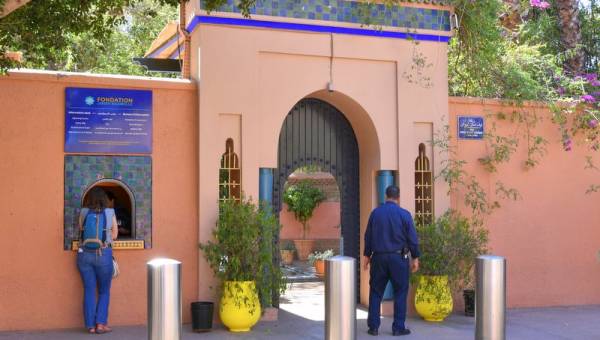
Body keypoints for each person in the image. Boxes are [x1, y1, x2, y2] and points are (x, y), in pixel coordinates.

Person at [363, 185, 420, 336]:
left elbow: (368, 236)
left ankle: (373, 327)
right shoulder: (404, 214)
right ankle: (398, 328)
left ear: (385, 196)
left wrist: (367, 256)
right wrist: (415, 257)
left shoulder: (375, 214)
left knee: (375, 292)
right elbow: (412, 239)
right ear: (398, 197)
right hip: (399, 258)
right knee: (400, 292)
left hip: (379, 258)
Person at [77, 187, 118, 334]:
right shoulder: (110, 212)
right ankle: (101, 324)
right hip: (103, 254)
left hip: (84, 254)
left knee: (88, 289)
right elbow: (114, 235)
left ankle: (90, 326)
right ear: (105, 199)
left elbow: (80, 230)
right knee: (104, 291)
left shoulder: (83, 212)